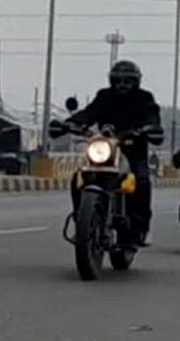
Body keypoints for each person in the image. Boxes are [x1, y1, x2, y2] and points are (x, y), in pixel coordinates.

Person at [66, 60, 162, 246]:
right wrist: (71, 123)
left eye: (127, 81)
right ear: (112, 81)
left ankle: (141, 227)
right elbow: (89, 113)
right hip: (105, 147)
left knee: (142, 180)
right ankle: (81, 222)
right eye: (118, 81)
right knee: (78, 177)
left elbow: (152, 118)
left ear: (136, 82)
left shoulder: (144, 98)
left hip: (133, 148)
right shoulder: (104, 96)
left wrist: (149, 128)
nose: (122, 85)